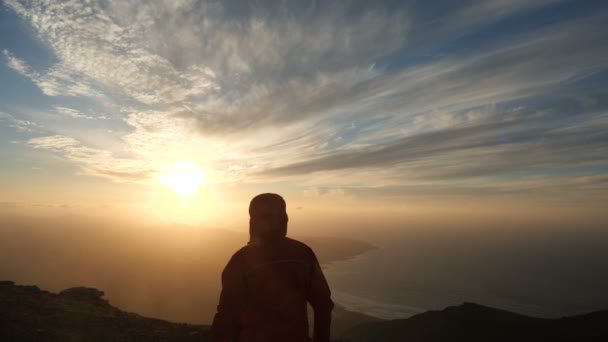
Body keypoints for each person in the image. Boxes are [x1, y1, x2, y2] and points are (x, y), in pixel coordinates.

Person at [211, 193, 334, 342]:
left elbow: (227, 315)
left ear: (253, 222)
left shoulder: (241, 261)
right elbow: (323, 306)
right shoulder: (304, 254)